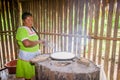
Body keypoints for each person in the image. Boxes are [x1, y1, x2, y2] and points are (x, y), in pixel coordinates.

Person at [16, 12, 44, 80]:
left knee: (33, 73)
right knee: (28, 76)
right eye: (28, 20)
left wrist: (41, 41)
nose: (30, 22)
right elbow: (27, 44)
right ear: (23, 21)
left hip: (34, 55)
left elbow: (33, 40)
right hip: (27, 56)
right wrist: (39, 41)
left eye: (31, 19)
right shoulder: (22, 30)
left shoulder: (32, 29)